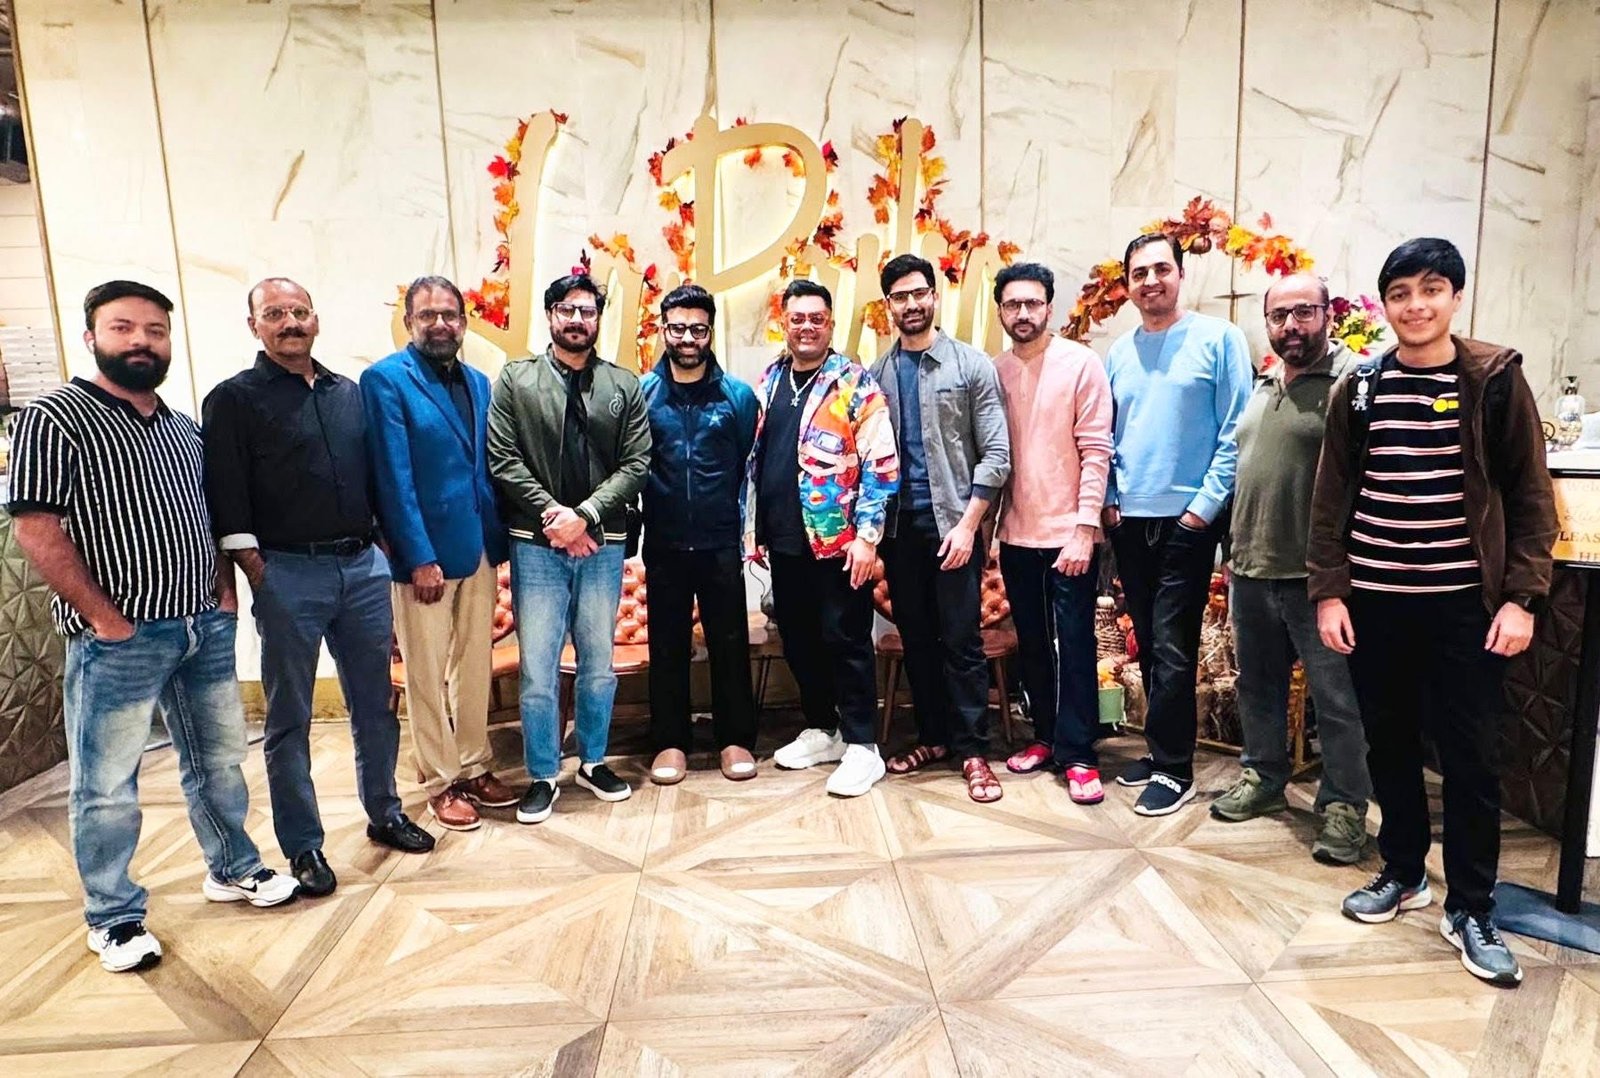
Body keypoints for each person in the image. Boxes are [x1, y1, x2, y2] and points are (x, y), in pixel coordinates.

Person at [9, 280, 297, 973]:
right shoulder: (55, 417)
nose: (141, 341)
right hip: (120, 641)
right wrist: (106, 620)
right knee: (107, 784)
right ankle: (113, 916)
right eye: (123, 328)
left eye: (155, 331)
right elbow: (35, 528)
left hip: (202, 629)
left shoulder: (182, 427)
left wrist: (221, 596)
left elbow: (210, 517)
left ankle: (233, 867)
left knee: (218, 761)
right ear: (91, 337)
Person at [1310, 237, 1556, 987]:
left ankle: (1472, 907)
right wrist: (1329, 590)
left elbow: (1531, 496)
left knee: (1471, 758)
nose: (1415, 305)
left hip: (1464, 608)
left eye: (1430, 289)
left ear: (1455, 297)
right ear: (1385, 304)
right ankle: (1404, 871)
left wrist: (1521, 598)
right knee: (1388, 745)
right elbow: (1331, 495)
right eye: (1400, 293)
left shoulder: (1494, 381)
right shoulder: (1361, 386)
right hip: (1376, 603)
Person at [202, 278, 434, 900]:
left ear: (316, 320)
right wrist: (257, 570)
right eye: (275, 313)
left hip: (361, 570)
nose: (290, 322)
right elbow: (226, 494)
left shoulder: (347, 393)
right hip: (287, 574)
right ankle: (303, 844)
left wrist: (383, 548)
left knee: (376, 705)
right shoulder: (233, 399)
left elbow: (375, 478)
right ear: (254, 325)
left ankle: (385, 813)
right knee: (290, 717)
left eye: (299, 311)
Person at [1213, 273, 1371, 864]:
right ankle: (1263, 776)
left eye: (1304, 312)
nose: (1291, 326)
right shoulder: (1264, 382)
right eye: (1279, 316)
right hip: (1252, 568)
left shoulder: (1353, 382)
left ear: (1328, 314)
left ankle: (1344, 805)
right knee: (1258, 686)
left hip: (1318, 579)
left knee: (1337, 700)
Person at [488, 273, 650, 824]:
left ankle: (594, 761)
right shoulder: (516, 379)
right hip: (535, 544)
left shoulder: (623, 384)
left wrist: (584, 517)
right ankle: (542, 773)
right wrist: (555, 517)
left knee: (598, 664)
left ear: (598, 318)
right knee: (538, 667)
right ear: (551, 315)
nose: (577, 320)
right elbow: (503, 458)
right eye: (567, 309)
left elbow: (636, 463)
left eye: (588, 311)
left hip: (602, 543)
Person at [1104, 234, 1253, 816]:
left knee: (1172, 644)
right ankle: (1160, 748)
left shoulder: (1220, 338)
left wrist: (1202, 509)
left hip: (1187, 519)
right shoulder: (1119, 352)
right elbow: (1107, 435)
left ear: (1180, 274)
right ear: (1127, 284)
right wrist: (1111, 501)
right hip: (1129, 519)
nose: (1151, 281)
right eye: (1139, 273)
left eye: (1161, 269)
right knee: (1148, 642)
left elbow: (1237, 429)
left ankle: (1174, 769)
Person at [361, 275, 515, 833]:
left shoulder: (478, 382)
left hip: (478, 547)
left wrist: (498, 541)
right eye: (427, 315)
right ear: (409, 322)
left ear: (464, 322)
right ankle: (439, 780)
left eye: (450, 314)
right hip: (424, 557)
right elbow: (392, 476)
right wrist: (417, 556)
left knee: (473, 666)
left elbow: (484, 467)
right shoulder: (385, 380)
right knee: (425, 673)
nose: (440, 324)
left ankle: (473, 764)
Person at [870, 254, 1010, 803]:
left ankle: (973, 749)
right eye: (899, 297)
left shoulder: (971, 366)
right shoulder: (876, 375)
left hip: (954, 527)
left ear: (934, 295)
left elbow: (996, 455)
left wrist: (969, 527)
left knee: (961, 641)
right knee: (918, 641)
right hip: (898, 532)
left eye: (918, 293)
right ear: (888, 305)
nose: (910, 304)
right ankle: (933, 737)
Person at [755, 279, 900, 797]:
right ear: (784, 323)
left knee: (847, 641)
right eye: (797, 318)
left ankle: (864, 746)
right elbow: (760, 459)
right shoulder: (771, 379)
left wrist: (868, 537)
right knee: (799, 640)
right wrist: (755, 528)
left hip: (839, 543)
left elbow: (882, 465)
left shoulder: (854, 383)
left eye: (816, 319)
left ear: (830, 324)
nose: (807, 327)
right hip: (784, 540)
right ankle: (825, 728)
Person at [990, 262, 1115, 805]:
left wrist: (1085, 529)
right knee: (1034, 644)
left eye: (1033, 303)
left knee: (1076, 644)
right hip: (1017, 535)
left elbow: (1097, 451)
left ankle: (1080, 754)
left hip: (1070, 536)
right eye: (1013, 304)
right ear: (1000, 310)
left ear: (1049, 307)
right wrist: (990, 533)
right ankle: (1045, 736)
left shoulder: (1081, 364)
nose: (1023, 313)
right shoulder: (994, 371)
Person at [639, 284, 760, 784]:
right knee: (667, 645)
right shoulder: (642, 394)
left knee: (729, 642)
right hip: (664, 542)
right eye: (678, 328)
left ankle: (735, 739)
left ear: (710, 332)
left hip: (720, 543)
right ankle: (670, 741)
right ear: (663, 329)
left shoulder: (738, 397)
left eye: (698, 329)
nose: (687, 338)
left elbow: (746, 465)